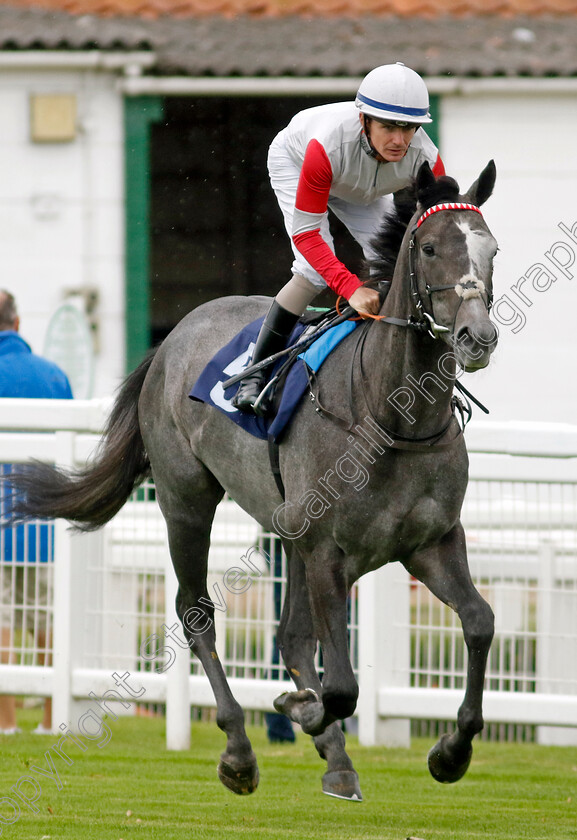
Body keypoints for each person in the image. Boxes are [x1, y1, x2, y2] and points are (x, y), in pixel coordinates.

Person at [232, 62, 445, 414]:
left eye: (409, 128)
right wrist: (350, 288)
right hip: (300, 163)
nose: (400, 140)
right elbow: (307, 236)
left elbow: (439, 225)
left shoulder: (426, 157)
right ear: (365, 120)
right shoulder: (327, 146)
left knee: (396, 263)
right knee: (312, 271)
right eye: (389, 127)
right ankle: (255, 374)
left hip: (360, 184)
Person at [0, 290, 73, 734]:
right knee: (46, 621)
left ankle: (5, 722)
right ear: (19, 322)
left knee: (1, 624)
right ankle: (50, 719)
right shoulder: (54, 376)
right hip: (43, 524)